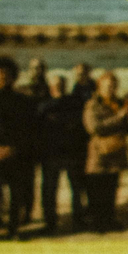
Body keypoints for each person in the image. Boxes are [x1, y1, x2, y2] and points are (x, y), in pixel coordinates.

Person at [0, 56, 38, 239]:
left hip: (17, 157)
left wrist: (14, 148)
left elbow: (31, 129)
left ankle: (13, 230)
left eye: (7, 74)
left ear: (14, 77)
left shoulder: (24, 102)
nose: (3, 77)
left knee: (16, 197)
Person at [82, 70, 128, 232]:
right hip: (99, 154)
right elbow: (95, 128)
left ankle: (110, 219)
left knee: (112, 188)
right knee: (98, 190)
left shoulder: (119, 103)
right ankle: (98, 223)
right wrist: (119, 117)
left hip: (116, 152)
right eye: (107, 86)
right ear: (100, 87)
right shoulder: (93, 105)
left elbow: (126, 126)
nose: (111, 89)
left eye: (113, 86)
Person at [37, 74, 89, 233]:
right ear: (50, 86)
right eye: (55, 84)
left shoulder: (74, 103)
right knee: (49, 191)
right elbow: (38, 131)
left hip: (72, 152)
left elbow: (82, 127)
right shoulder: (43, 106)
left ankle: (79, 220)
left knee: (77, 188)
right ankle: (50, 223)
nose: (58, 87)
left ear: (65, 86)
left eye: (61, 84)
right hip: (51, 154)